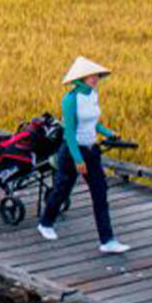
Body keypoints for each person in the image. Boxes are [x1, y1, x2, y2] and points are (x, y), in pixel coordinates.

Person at [37, 57, 130, 253]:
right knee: (62, 190)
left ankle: (107, 240)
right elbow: (69, 132)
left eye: (97, 75)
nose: (95, 78)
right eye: (91, 75)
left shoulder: (93, 95)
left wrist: (108, 132)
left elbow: (92, 123)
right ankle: (46, 223)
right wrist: (78, 159)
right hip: (72, 152)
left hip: (92, 150)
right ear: (81, 78)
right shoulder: (70, 100)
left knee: (100, 193)